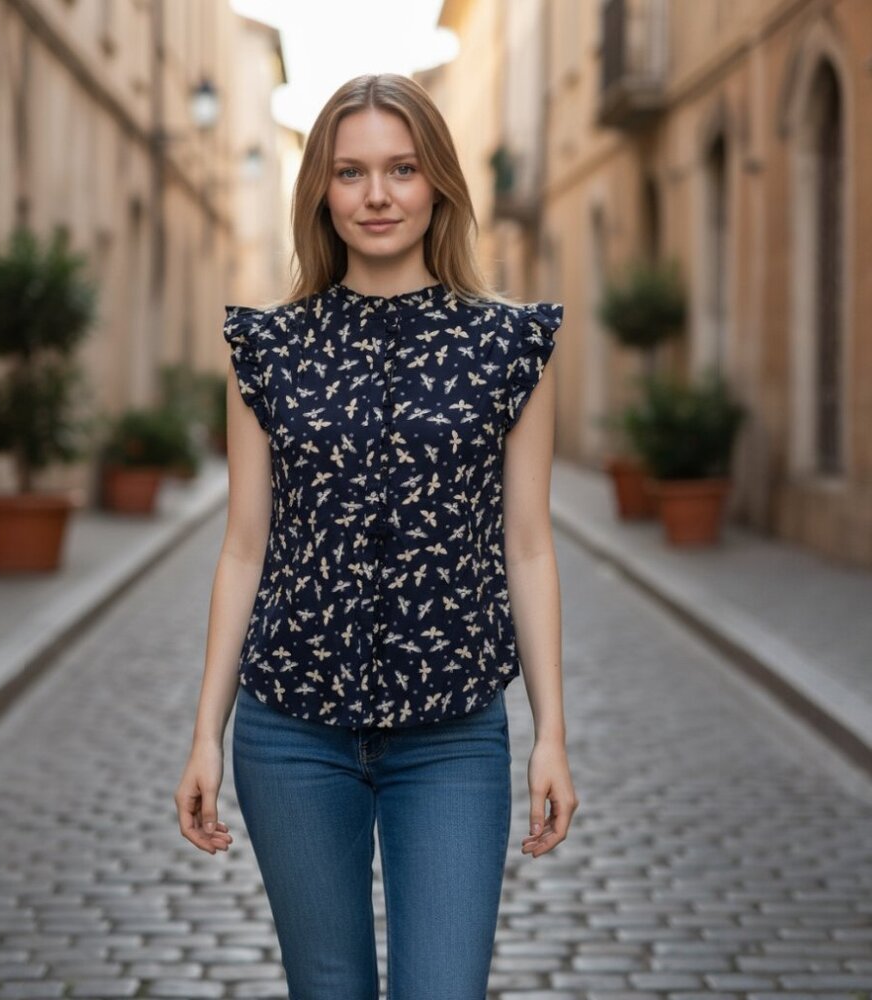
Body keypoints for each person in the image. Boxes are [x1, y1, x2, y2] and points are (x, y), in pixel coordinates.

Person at [175, 72, 579, 1000]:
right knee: (330, 989)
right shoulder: (268, 350)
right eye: (351, 172)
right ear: (321, 188)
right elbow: (245, 546)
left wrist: (551, 732)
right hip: (290, 734)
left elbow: (529, 544)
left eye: (402, 169)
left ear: (438, 181)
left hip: (452, 736)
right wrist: (206, 732)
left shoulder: (511, 346)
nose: (378, 195)